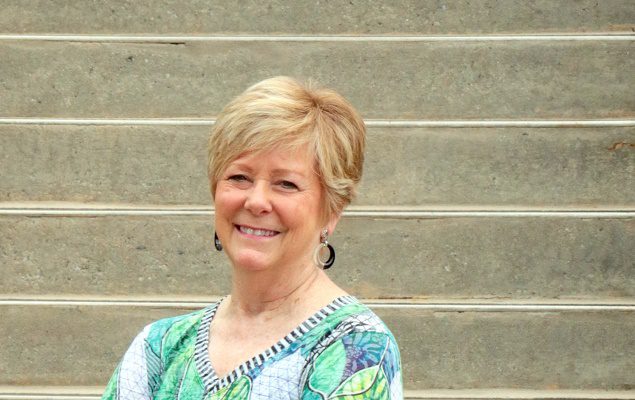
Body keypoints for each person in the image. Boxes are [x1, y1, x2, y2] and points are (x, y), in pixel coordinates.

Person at [101, 76, 403, 399]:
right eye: (239, 177)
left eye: (286, 184)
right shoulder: (158, 349)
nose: (256, 201)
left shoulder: (355, 349)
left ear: (332, 211)